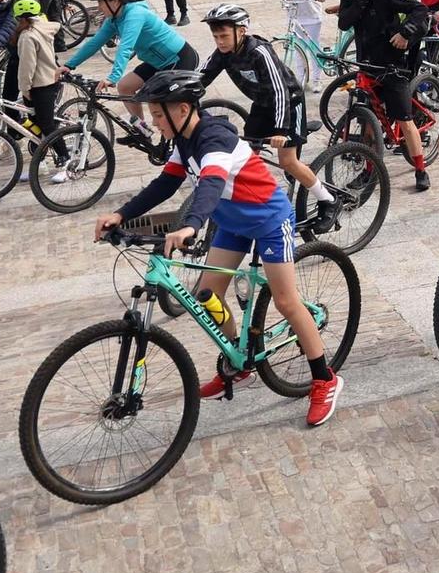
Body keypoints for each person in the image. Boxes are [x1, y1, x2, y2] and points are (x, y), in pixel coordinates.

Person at [95, 70, 342, 426]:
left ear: (182, 110)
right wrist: (121, 214)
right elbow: (166, 183)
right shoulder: (183, 139)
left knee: (287, 301)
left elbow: (210, 184)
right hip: (231, 222)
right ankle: (239, 361)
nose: (154, 122)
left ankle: (324, 380)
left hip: (268, 219)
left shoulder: (214, 138)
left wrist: (190, 226)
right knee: (208, 295)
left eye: (159, 115)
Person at [198, 4, 336, 231]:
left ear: (241, 31)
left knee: (288, 161)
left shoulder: (259, 51)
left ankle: (328, 200)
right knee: (244, 157)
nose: (220, 41)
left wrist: (281, 130)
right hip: (262, 105)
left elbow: (280, 90)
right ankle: (252, 202)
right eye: (216, 37)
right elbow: (200, 78)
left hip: (289, 104)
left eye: (224, 36)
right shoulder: (222, 54)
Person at [331, 0, 433, 190]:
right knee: (368, 124)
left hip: (391, 68)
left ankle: (420, 169)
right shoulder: (351, 1)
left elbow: (420, 9)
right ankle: (369, 172)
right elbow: (344, 23)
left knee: (405, 122)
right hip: (367, 67)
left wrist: (405, 33)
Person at [64, 0, 200, 135]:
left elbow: (125, 47)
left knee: (165, 104)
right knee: (125, 87)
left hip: (178, 58)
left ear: (114, 1)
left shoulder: (135, 14)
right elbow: (94, 43)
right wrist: (68, 65)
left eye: (100, 2)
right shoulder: (114, 19)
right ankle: (142, 130)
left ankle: (188, 135)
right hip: (157, 61)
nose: (99, 7)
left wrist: (112, 77)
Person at [11, 0, 66, 181]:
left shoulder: (27, 36)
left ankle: (66, 161)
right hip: (50, 81)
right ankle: (39, 162)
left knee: (46, 126)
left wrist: (24, 89)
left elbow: (27, 66)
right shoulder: (43, 27)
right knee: (36, 126)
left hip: (39, 86)